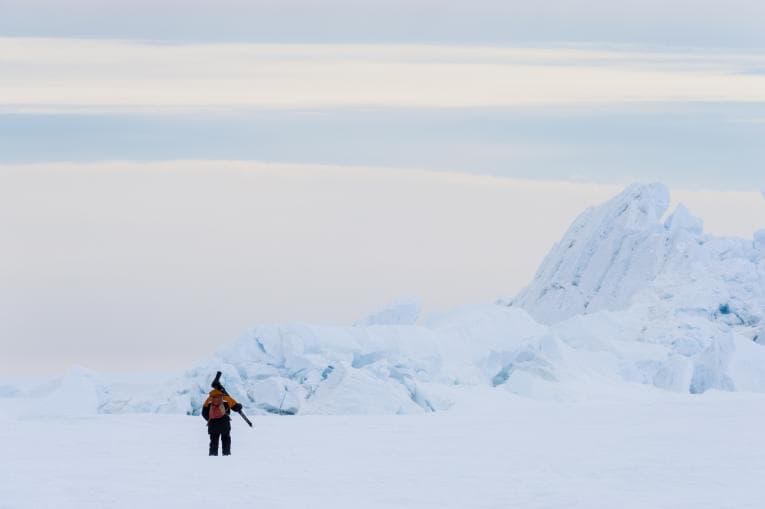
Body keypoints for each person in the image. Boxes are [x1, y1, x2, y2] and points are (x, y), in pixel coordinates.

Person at [201, 388, 242, 456]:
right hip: (224, 423)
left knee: (213, 441)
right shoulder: (226, 398)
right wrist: (240, 406)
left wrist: (210, 419)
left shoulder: (209, 400)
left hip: (213, 424)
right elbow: (236, 407)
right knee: (226, 439)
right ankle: (226, 455)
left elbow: (204, 413)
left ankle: (213, 456)